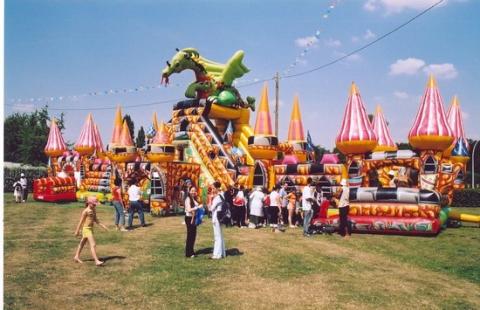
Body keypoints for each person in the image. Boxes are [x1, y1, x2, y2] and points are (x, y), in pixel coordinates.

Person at [74, 196, 109, 266]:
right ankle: (96, 261)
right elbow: (81, 222)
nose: (95, 205)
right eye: (94, 204)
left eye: (95, 204)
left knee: (82, 243)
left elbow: (96, 220)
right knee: (93, 244)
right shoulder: (85, 211)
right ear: (89, 203)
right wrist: (77, 231)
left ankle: (76, 256)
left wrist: (103, 225)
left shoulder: (93, 210)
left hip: (90, 229)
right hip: (86, 229)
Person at [184, 186, 203, 257]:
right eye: (192, 190)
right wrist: (198, 207)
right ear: (189, 191)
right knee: (190, 235)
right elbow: (188, 210)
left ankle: (191, 251)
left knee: (193, 235)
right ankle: (188, 253)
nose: (193, 192)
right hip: (189, 218)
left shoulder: (194, 199)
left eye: (194, 191)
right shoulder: (187, 199)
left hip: (194, 218)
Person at [210, 182, 226, 259]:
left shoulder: (217, 197)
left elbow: (211, 208)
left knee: (217, 236)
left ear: (217, 188)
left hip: (217, 218)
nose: (212, 190)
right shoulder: (222, 195)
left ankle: (217, 254)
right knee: (220, 235)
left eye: (213, 188)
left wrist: (210, 199)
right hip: (220, 217)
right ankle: (222, 253)